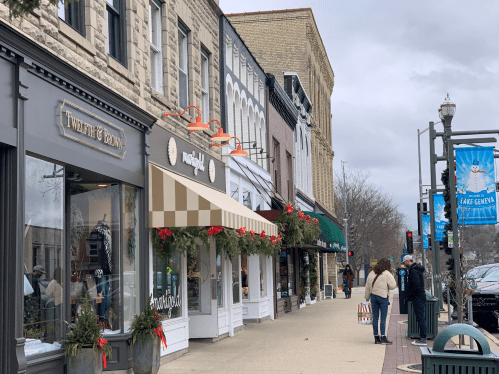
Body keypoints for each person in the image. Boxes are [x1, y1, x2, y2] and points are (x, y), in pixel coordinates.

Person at [365, 258, 397, 344]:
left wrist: (367, 298)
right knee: (383, 318)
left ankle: (376, 337)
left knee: (375, 317)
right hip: (383, 297)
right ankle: (383, 337)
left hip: (373, 297)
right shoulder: (387, 273)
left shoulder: (371, 273)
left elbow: (367, 287)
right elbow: (393, 285)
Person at [403, 254, 427, 346]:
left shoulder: (413, 271)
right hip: (420, 296)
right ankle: (423, 337)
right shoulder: (417, 269)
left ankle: (423, 338)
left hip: (417, 297)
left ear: (408, 261)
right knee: (421, 316)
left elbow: (415, 285)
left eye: (404, 262)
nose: (404, 264)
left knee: (420, 317)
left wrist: (410, 295)